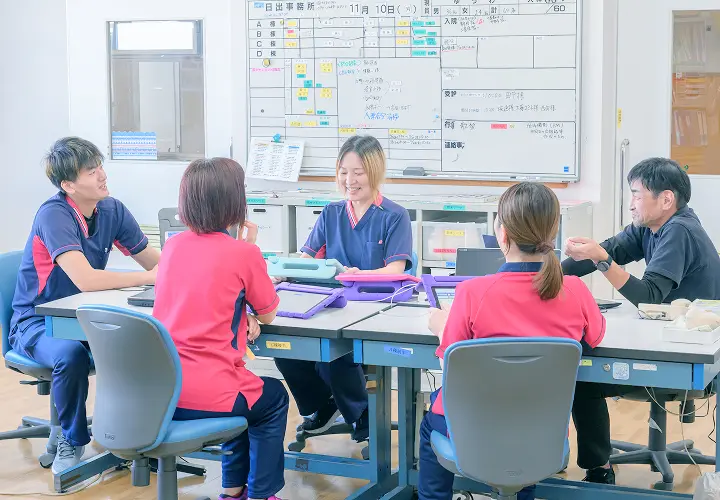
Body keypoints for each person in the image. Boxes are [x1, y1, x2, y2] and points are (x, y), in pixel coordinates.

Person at [420, 182, 606, 500]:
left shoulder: (471, 293)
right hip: (543, 432)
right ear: (553, 232)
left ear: (502, 234)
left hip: (477, 425)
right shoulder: (575, 289)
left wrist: (441, 325)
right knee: (527, 417)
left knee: (429, 424)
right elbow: (596, 336)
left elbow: (449, 362)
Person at [563, 157, 720, 485]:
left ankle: (599, 469)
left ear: (666, 199)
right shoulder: (650, 227)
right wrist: (542, 271)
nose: (631, 203)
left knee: (582, 379)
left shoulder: (679, 231)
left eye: (637, 194)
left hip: (687, 358)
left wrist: (603, 261)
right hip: (664, 341)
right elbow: (607, 251)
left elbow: (647, 296)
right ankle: (598, 463)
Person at [9, 137, 159, 475]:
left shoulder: (112, 210)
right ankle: (71, 438)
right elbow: (86, 280)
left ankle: (137, 437)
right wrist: (148, 278)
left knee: (147, 343)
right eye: (91, 172)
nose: (102, 175)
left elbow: (154, 261)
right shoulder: (54, 215)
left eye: (100, 166)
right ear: (68, 185)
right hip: (36, 322)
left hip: (84, 318)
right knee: (69, 355)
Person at [153, 157, 287, 500]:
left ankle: (232, 490)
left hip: (165, 391)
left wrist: (242, 310)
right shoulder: (242, 253)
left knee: (245, 392)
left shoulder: (172, 246)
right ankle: (261, 494)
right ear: (233, 202)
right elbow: (269, 314)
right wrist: (250, 251)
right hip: (212, 392)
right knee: (271, 399)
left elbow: (204, 297)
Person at [274, 135, 413, 442]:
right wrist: (283, 273)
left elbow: (395, 270)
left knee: (337, 354)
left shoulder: (395, 216)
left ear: (374, 171)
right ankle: (324, 404)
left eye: (358, 172)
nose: (350, 180)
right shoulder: (331, 213)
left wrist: (361, 274)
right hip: (333, 307)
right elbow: (307, 258)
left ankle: (361, 415)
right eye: (343, 172)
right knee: (287, 350)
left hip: (376, 310)